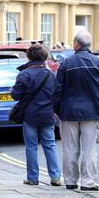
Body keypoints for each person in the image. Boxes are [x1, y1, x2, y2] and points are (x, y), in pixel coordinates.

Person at [54, 30, 99, 191]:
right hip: (91, 113)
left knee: (70, 148)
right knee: (89, 149)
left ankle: (70, 181)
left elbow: (58, 89)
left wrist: (56, 109)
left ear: (76, 44)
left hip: (69, 112)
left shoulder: (66, 63)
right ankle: (88, 182)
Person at [11, 44, 62, 186]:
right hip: (48, 115)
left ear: (29, 57)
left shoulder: (24, 74)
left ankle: (33, 178)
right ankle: (55, 177)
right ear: (44, 57)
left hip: (30, 115)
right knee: (50, 145)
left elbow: (15, 96)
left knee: (31, 147)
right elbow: (56, 95)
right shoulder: (51, 75)